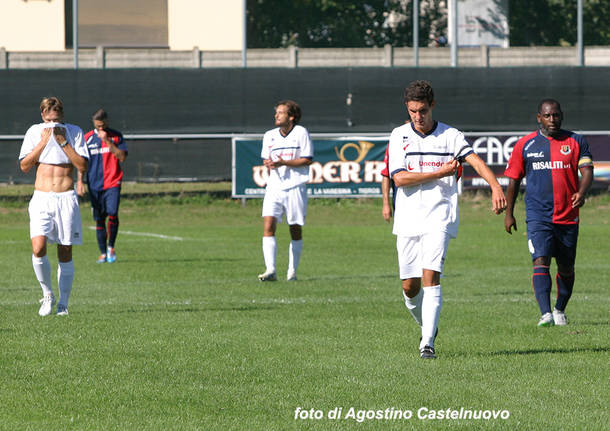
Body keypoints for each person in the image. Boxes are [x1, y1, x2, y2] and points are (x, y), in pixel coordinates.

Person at [388, 80, 506, 359]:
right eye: (413, 111)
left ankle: (427, 343)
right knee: (409, 286)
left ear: (433, 106)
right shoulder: (398, 135)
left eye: (423, 110)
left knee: (431, 276)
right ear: (407, 108)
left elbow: (474, 160)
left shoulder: (450, 135)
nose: (419, 116)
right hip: (407, 218)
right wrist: (439, 173)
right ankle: (427, 325)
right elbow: (400, 178)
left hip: (440, 216)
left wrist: (496, 186)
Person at [504, 99, 593, 327]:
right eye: (547, 116)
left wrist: (582, 193)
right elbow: (513, 181)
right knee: (540, 260)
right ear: (539, 118)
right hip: (538, 216)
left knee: (566, 267)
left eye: (555, 115)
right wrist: (509, 213)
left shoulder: (575, 141)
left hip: (568, 216)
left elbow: (587, 171)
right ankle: (545, 314)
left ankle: (559, 309)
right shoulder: (525, 144)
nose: (552, 120)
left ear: (561, 116)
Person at [19, 96, 89, 316]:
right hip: (41, 198)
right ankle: (47, 294)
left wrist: (63, 142)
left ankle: (63, 303)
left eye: (56, 120)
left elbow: (82, 165)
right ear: (42, 116)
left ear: (63, 117)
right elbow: (24, 166)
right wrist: (43, 141)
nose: (53, 125)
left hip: (65, 198)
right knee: (38, 248)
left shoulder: (74, 132)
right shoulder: (34, 132)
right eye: (49, 120)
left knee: (65, 250)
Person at [258, 100, 314, 282]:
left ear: (291, 117)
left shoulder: (300, 133)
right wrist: (269, 163)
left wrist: (283, 162)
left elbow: (307, 159)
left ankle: (292, 271)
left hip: (295, 186)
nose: (276, 115)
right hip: (274, 186)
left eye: (281, 113)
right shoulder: (269, 135)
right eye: (276, 112)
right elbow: (266, 159)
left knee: (295, 229)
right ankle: (270, 270)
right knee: (268, 225)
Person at [77, 109, 128, 263]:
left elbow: (122, 157)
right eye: (98, 126)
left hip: (113, 182)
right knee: (99, 219)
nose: (101, 128)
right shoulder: (87, 138)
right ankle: (102, 253)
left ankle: (111, 246)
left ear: (107, 121)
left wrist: (108, 141)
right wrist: (80, 181)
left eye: (103, 125)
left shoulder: (116, 136)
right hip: (94, 184)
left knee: (112, 212)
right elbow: (81, 163)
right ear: (94, 123)